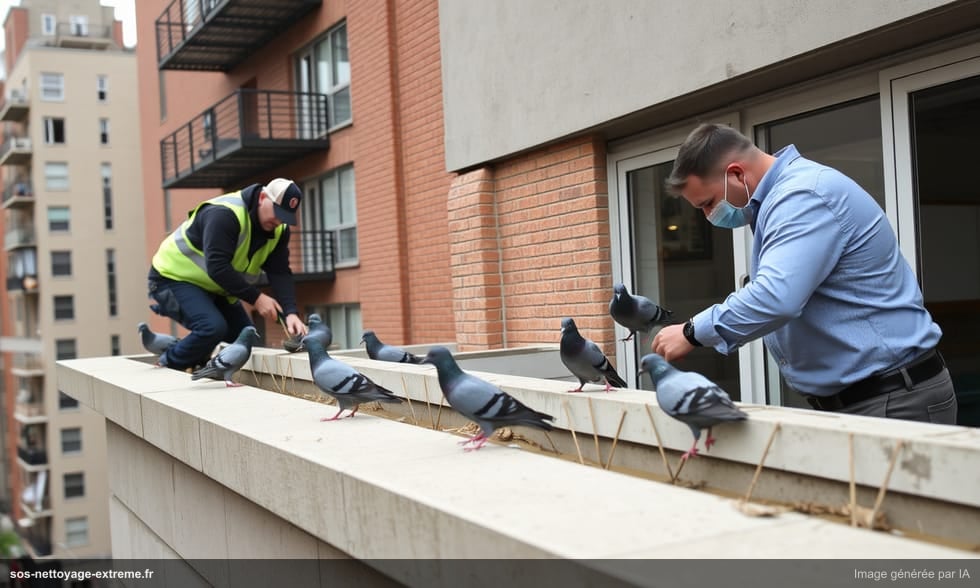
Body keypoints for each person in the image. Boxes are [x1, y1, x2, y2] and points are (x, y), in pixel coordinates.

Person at [651, 123, 957, 424]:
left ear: (736, 173)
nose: (708, 217)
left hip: (892, 399)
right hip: (868, 399)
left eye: (707, 203)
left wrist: (692, 332)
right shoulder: (779, 202)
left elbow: (776, 297)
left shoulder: (802, 196)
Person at [147, 178, 309, 371]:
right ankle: (167, 364)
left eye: (285, 217)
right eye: (277, 212)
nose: (279, 221)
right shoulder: (224, 214)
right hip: (172, 277)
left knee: (246, 340)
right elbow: (218, 267)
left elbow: (280, 272)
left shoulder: (279, 229)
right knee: (212, 327)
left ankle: (199, 360)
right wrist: (257, 298)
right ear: (263, 197)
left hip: (217, 288)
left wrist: (290, 312)